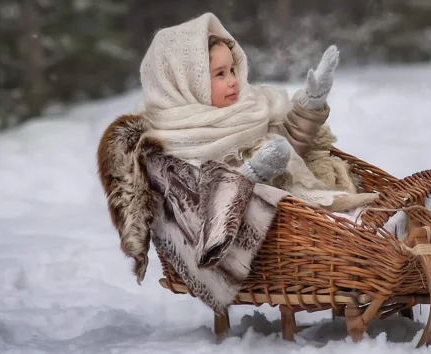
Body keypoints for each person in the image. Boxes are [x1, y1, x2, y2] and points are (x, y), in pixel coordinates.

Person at [138, 13, 376, 212]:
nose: (233, 81)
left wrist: (311, 102)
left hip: (299, 222)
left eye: (233, 70)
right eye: (220, 74)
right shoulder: (170, 142)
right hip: (259, 242)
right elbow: (198, 210)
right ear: (187, 82)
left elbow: (289, 145)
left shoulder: (249, 108)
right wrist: (250, 176)